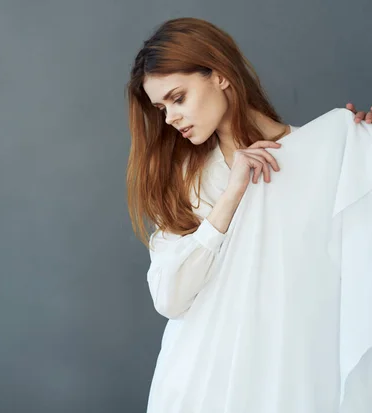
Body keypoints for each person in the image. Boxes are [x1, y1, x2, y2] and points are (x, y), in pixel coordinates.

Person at [125, 17, 372, 413]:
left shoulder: (324, 154)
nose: (169, 118)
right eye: (160, 107)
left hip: (294, 378)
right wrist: (232, 193)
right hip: (203, 384)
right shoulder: (186, 182)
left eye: (178, 97)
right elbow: (169, 297)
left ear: (220, 75)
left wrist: (361, 151)